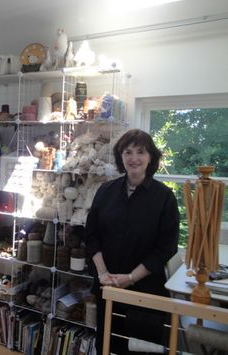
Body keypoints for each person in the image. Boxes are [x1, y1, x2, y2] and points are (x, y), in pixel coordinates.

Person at [85, 129, 179, 354]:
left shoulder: (165, 197)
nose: (134, 158)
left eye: (140, 152)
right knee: (107, 347)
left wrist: (130, 278)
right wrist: (102, 273)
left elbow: (166, 248)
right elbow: (91, 235)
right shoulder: (106, 191)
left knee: (141, 350)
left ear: (151, 158)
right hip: (107, 287)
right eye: (128, 152)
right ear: (121, 157)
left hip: (145, 293)